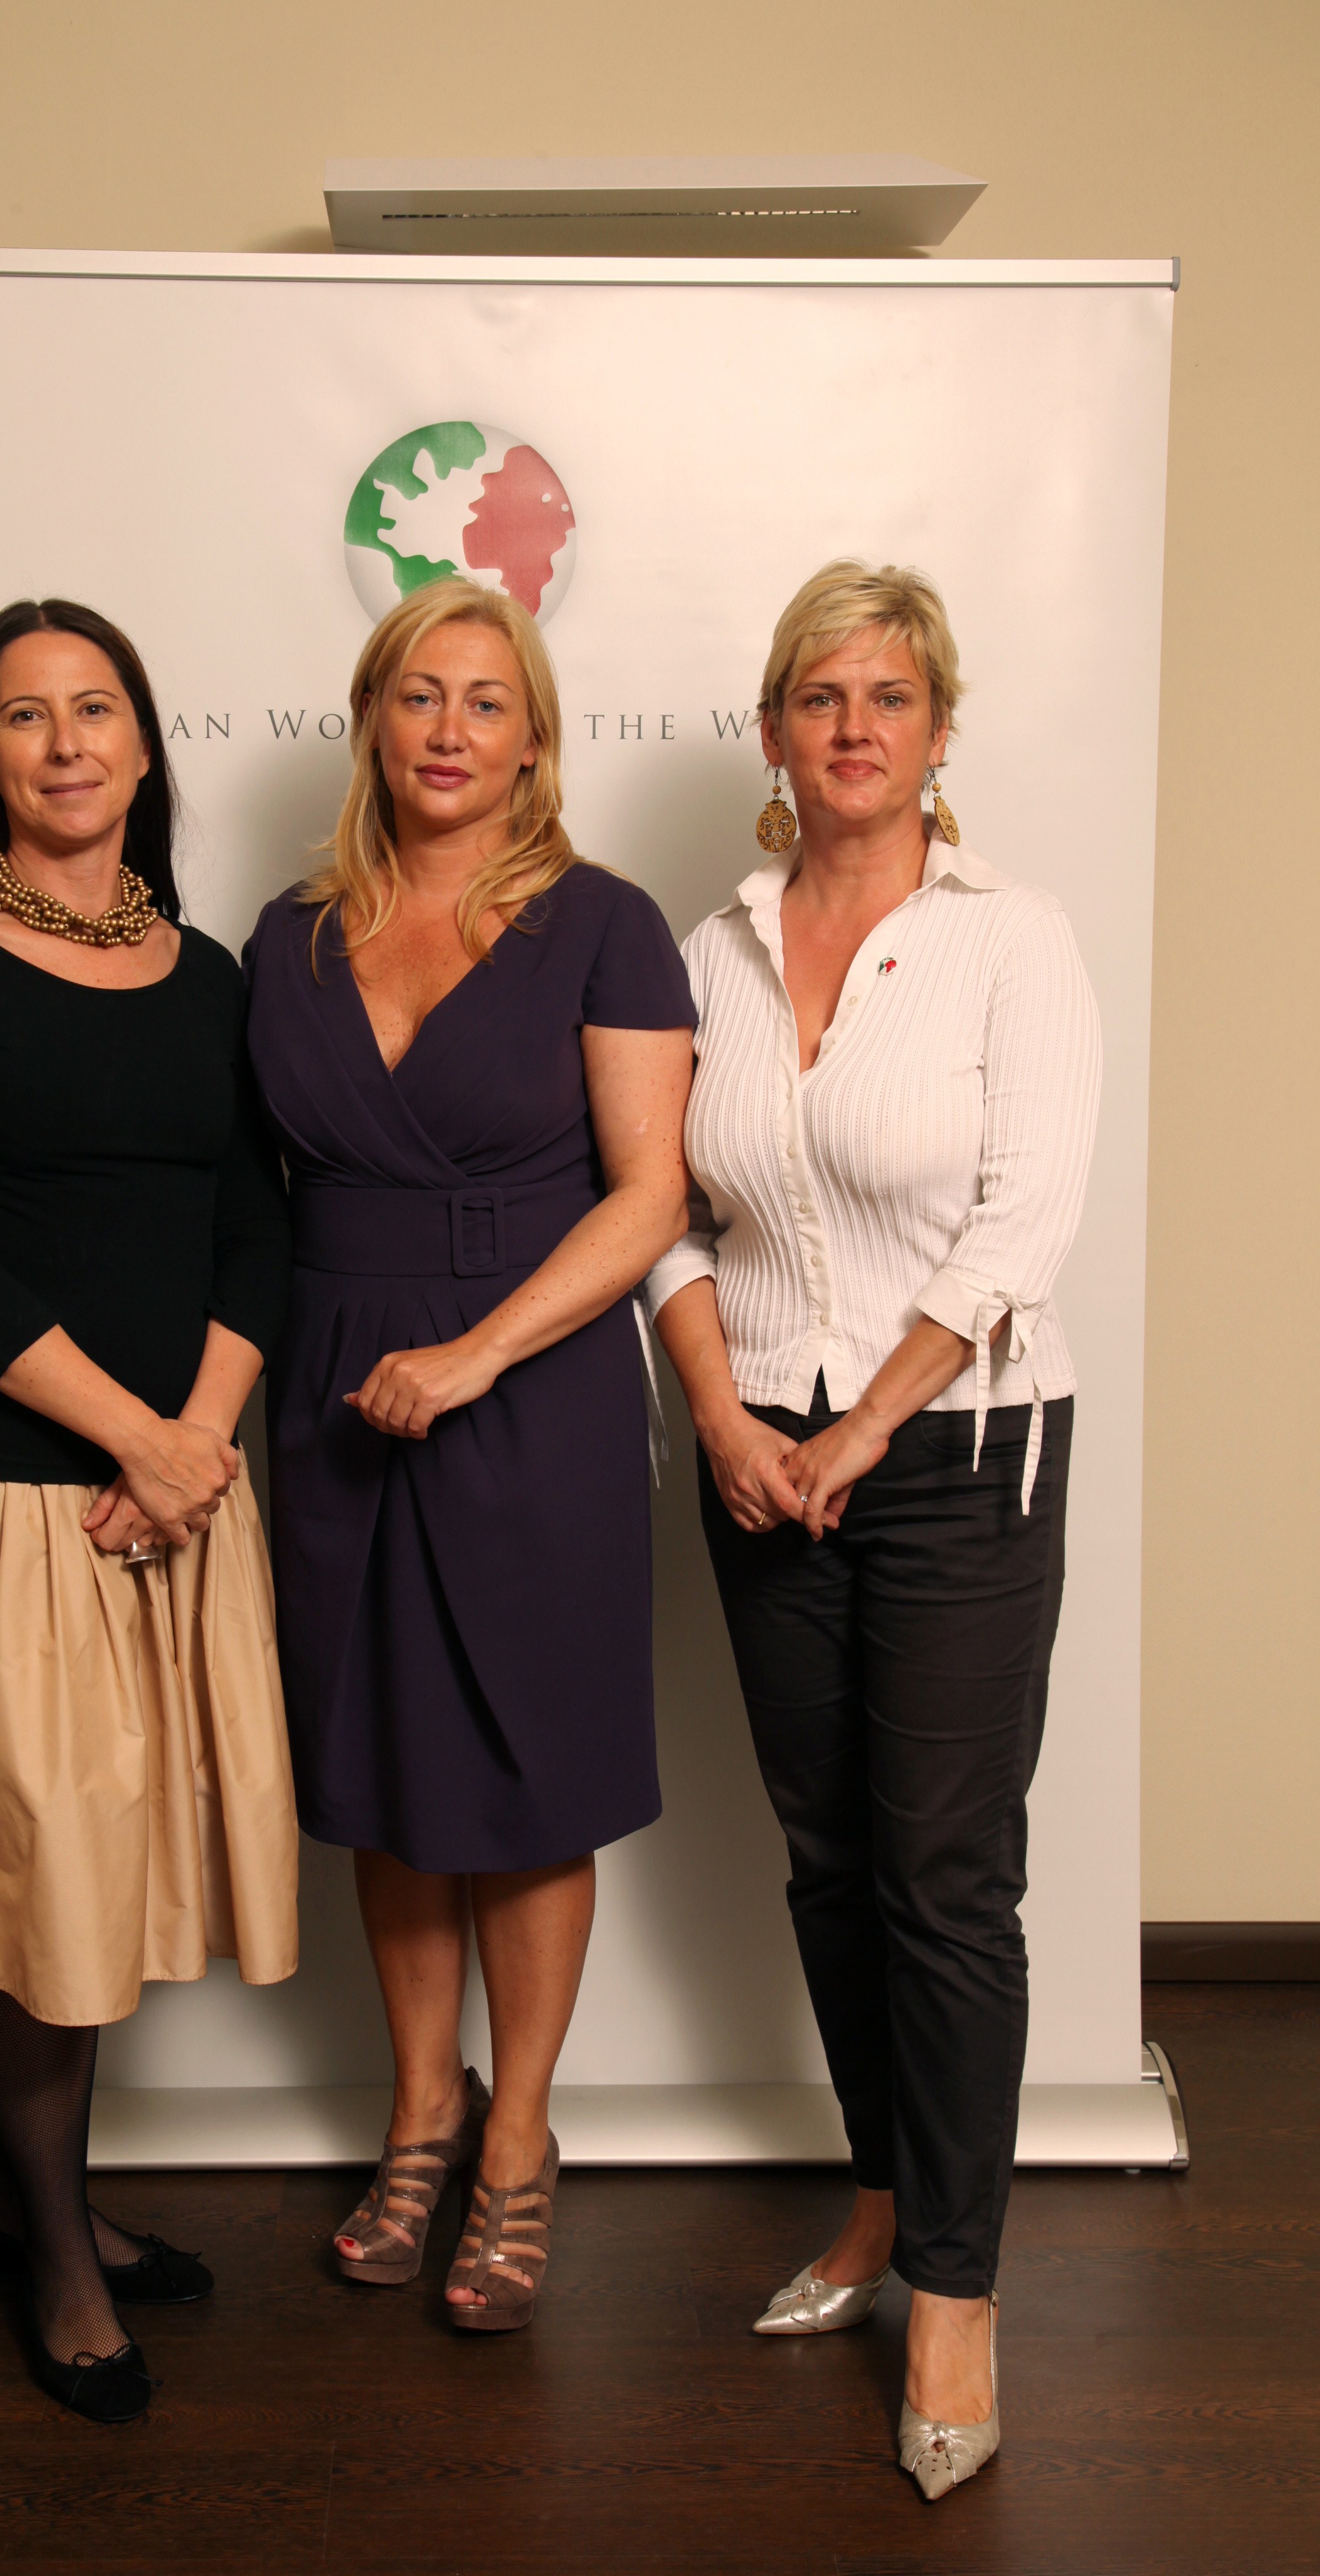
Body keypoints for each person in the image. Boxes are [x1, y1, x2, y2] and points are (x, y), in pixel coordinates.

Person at [0, 599, 297, 2422]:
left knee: (106, 1870)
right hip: (9, 1501)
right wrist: (134, 1442)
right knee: (38, 1884)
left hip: (174, 1494)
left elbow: (259, 1222)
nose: (69, 742)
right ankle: (59, 2260)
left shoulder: (213, 973)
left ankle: (34, 2203)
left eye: (98, 709)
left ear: (146, 745)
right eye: (27, 716)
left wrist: (200, 1437)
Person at [650, 561, 1100, 2498]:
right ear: (773, 732)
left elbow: (1024, 1221)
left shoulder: (1012, 939)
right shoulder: (710, 950)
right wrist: (721, 1414)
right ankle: (878, 2197)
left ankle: (959, 2291)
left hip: (960, 1454)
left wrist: (866, 1426)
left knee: (944, 1875)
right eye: (820, 695)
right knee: (831, 1861)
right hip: (760, 1452)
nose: (854, 726)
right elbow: (659, 1206)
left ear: (937, 730)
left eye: (890, 696)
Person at [244, 578, 694, 2332]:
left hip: (534, 1384)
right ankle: (420, 2111)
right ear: (373, 721)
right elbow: (247, 1197)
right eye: (419, 694)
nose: (448, 729)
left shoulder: (606, 924)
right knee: (387, 1768)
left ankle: (518, 2139)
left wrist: (479, 1352)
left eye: (486, 701)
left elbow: (648, 1193)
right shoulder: (288, 937)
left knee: (527, 1771)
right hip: (333, 1389)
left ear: (533, 738)